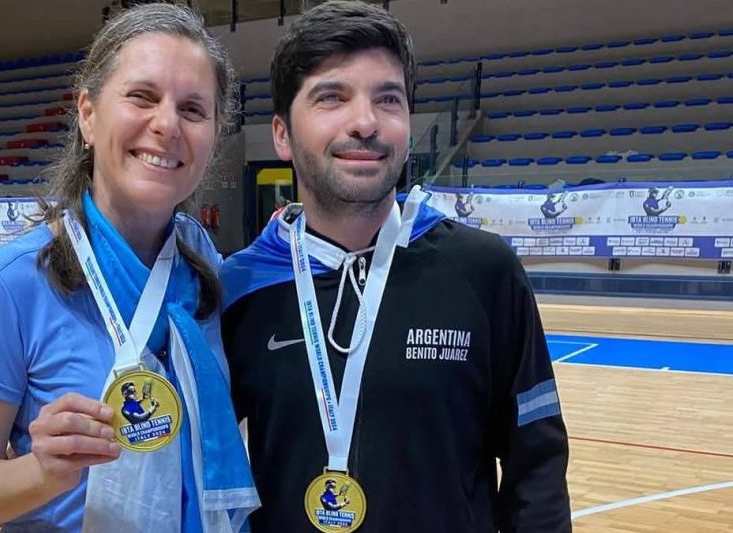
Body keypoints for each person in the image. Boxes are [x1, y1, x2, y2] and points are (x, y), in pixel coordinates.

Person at [220, 2, 571, 532]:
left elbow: (537, 467)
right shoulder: (240, 287)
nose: (365, 123)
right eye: (332, 97)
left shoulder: (484, 271)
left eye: (388, 99)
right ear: (282, 134)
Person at [0, 4, 257, 532]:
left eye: (193, 109)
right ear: (87, 114)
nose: (167, 124)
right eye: (142, 96)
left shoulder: (202, 260)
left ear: (214, 136)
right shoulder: (7, 283)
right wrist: (42, 472)